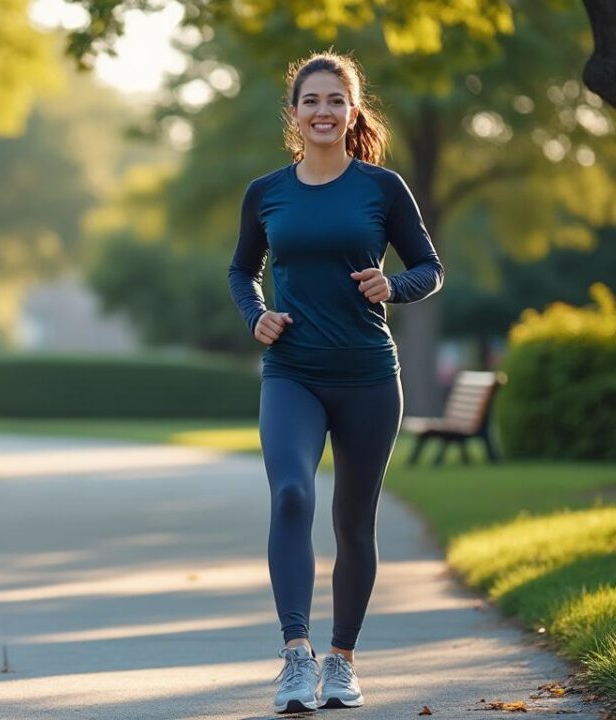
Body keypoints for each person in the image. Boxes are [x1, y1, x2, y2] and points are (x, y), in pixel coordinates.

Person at [227, 50, 444, 714]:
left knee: (354, 522)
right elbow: (241, 270)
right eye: (311, 101)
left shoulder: (382, 188)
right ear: (294, 114)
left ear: (353, 113)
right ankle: (296, 656)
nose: (323, 111)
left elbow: (429, 267)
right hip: (292, 371)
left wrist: (394, 285)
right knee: (291, 494)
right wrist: (256, 315)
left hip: (368, 377)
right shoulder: (267, 192)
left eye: (335, 101)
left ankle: (342, 662)